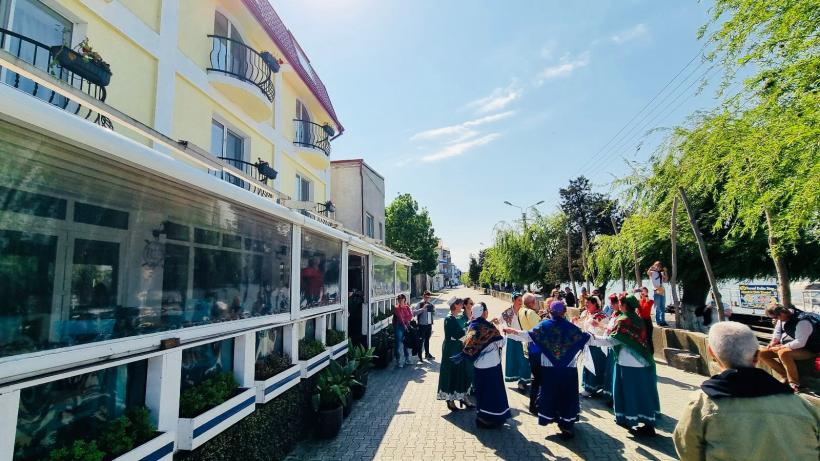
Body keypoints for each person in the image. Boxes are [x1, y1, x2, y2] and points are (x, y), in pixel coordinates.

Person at [674, 321, 820, 461]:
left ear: (712, 353)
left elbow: (687, 450)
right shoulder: (803, 405)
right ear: (757, 356)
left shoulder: (701, 404)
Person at [505, 301, 590, 440]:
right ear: (564, 312)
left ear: (550, 312)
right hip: (569, 369)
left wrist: (513, 331)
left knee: (551, 395)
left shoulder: (545, 325)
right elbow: (584, 338)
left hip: (549, 369)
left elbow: (528, 335)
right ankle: (567, 424)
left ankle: (556, 421)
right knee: (568, 395)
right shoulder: (571, 328)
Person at [588, 295, 661, 436]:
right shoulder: (638, 319)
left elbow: (612, 341)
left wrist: (591, 339)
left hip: (628, 363)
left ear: (623, 305)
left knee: (630, 392)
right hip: (642, 361)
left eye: (619, 303)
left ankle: (632, 420)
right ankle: (643, 421)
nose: (617, 305)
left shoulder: (624, 320)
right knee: (643, 392)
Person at [451, 302, 510, 428]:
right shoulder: (489, 327)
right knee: (493, 391)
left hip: (478, 365)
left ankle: (482, 416)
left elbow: (468, 345)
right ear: (484, 312)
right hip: (492, 365)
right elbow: (500, 343)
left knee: (482, 391)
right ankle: (492, 417)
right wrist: (502, 332)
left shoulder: (472, 326)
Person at [758, 304, 820, 392]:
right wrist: (773, 342)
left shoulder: (803, 321)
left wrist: (781, 347)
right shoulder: (783, 317)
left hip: (810, 348)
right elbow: (777, 332)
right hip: (795, 345)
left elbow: (800, 342)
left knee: (783, 353)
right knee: (762, 353)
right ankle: (785, 375)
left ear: (781, 314)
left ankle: (794, 383)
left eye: (776, 318)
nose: (776, 320)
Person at [437, 298, 471, 411]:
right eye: (460, 303)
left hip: (457, 347)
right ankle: (450, 400)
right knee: (451, 372)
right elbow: (459, 334)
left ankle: (461, 396)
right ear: (455, 305)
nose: (462, 305)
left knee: (460, 372)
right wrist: (470, 330)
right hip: (451, 350)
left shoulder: (455, 317)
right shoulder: (449, 319)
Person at [577, 296, 609, 398]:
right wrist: (576, 322)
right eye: (586, 303)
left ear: (595, 304)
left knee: (596, 366)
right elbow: (583, 326)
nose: (586, 305)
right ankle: (588, 387)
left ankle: (593, 388)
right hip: (587, 344)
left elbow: (605, 330)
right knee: (587, 365)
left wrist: (597, 326)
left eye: (588, 303)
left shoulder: (602, 315)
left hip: (597, 345)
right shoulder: (586, 314)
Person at [520, 293, 544, 414]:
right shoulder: (531, 313)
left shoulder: (522, 311)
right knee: (537, 379)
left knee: (535, 377)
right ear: (532, 303)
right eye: (535, 301)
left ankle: (534, 405)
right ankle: (535, 405)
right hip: (537, 348)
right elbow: (540, 330)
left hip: (529, 346)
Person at [503, 292, 531, 390]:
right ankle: (518, 379)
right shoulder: (508, 312)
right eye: (519, 300)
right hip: (512, 339)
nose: (521, 302)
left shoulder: (524, 311)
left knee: (524, 360)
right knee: (513, 360)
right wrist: (504, 329)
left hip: (523, 339)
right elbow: (500, 321)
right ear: (514, 300)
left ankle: (523, 381)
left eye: (521, 300)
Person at [412, 291, 436, 361]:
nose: (427, 298)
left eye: (428, 297)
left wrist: (434, 310)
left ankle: (427, 354)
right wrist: (422, 309)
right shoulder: (420, 304)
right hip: (422, 325)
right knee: (421, 340)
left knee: (427, 340)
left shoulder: (430, 304)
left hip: (428, 325)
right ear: (423, 297)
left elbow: (431, 315)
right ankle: (420, 355)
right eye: (426, 297)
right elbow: (414, 313)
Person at [393, 294, 413, 368]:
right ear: (398, 300)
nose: (401, 300)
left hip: (406, 326)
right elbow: (400, 318)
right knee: (398, 344)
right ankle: (398, 361)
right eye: (399, 299)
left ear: (404, 299)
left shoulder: (407, 307)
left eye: (402, 299)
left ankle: (407, 359)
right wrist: (405, 321)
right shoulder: (396, 308)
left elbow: (410, 316)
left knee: (406, 343)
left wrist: (405, 321)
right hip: (399, 327)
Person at [647, 261, 669, 326]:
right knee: (657, 307)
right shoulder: (652, 273)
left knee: (662, 306)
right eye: (656, 265)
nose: (658, 267)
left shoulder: (661, 273)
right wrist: (651, 268)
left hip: (662, 290)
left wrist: (665, 272)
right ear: (654, 266)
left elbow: (666, 280)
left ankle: (663, 321)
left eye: (659, 266)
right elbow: (648, 273)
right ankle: (658, 321)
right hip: (656, 290)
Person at [638, 287, 655, 354]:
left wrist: (646, 294)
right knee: (641, 339)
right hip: (641, 321)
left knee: (648, 339)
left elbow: (647, 302)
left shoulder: (650, 301)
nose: (643, 294)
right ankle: (643, 353)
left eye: (644, 292)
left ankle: (651, 354)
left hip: (647, 321)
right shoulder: (639, 301)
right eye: (642, 292)